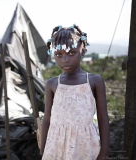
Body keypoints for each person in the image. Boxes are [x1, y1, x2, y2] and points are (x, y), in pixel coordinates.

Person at [40, 24, 109, 160]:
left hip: (85, 145)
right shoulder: (52, 84)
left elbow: (102, 117)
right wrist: (43, 149)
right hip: (56, 145)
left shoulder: (94, 81)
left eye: (71, 53)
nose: (65, 60)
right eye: (59, 55)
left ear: (82, 51)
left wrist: (104, 152)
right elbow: (47, 119)